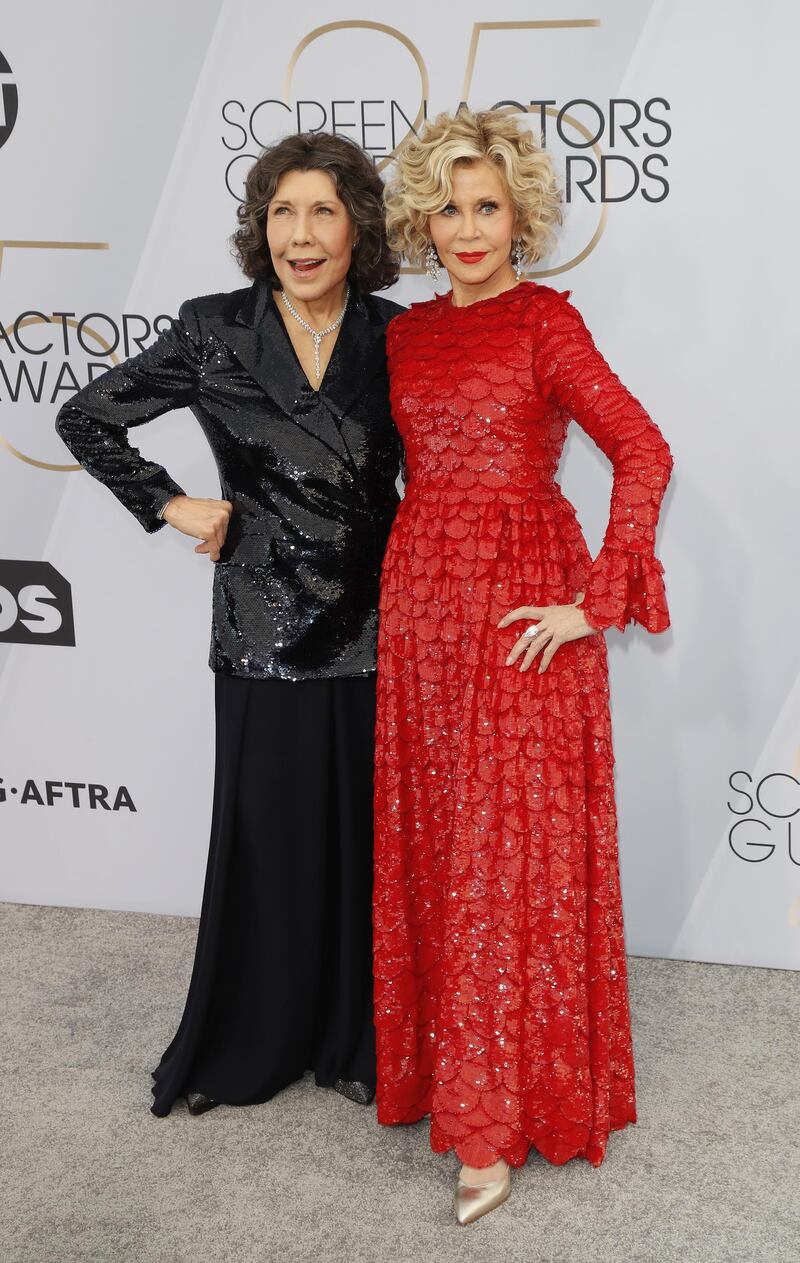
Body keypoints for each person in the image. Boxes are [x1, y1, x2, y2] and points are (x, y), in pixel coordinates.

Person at [55, 131, 404, 1118]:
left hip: (379, 629)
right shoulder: (213, 331)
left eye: (322, 212)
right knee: (267, 842)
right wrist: (171, 501)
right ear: (262, 228)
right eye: (282, 212)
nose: (300, 234)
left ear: (356, 229)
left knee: (364, 850)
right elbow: (86, 417)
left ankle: (355, 1040)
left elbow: (446, 470)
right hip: (261, 627)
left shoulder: (397, 335)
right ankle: (252, 1039)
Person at [373, 108, 673, 1224]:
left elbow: (641, 451)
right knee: (442, 837)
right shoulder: (401, 336)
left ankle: (492, 1126)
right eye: (446, 207)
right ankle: (441, 1077)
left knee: (506, 854)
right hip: (420, 605)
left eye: (484, 207)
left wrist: (596, 599)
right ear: (421, 214)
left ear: (519, 216)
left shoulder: (546, 322)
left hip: (518, 610)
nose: (464, 228)